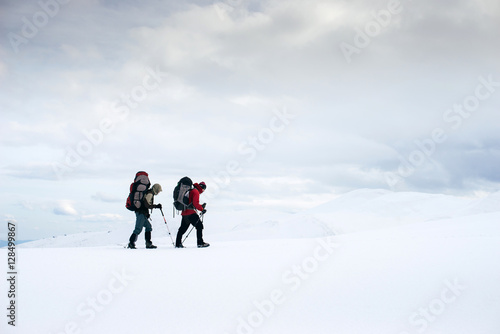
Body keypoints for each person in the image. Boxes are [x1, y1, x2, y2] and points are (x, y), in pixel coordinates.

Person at [128, 183, 163, 249]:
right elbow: (146, 204)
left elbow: (145, 204)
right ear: (156, 189)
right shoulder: (150, 194)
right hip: (141, 213)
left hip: (142, 213)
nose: (158, 192)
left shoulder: (149, 193)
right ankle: (131, 243)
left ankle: (148, 243)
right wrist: (156, 206)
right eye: (158, 191)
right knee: (138, 229)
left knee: (148, 227)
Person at [175, 181, 209, 248]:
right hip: (191, 213)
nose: (203, 191)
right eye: (204, 189)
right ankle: (200, 243)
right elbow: (195, 203)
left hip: (185, 212)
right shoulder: (196, 192)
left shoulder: (192, 190)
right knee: (199, 226)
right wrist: (202, 209)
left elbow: (192, 203)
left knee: (182, 229)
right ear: (202, 188)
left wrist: (201, 206)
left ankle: (178, 243)